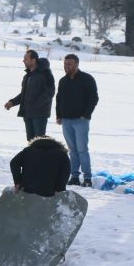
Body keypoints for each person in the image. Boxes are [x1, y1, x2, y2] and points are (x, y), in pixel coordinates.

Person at [55, 54, 99, 188]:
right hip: (66, 120)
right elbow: (59, 99)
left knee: (82, 150)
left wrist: (86, 115)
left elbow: (94, 98)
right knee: (72, 150)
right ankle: (74, 176)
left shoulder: (87, 79)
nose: (66, 66)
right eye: (65, 63)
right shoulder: (63, 81)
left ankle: (87, 178)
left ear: (76, 64)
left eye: (69, 64)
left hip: (81, 120)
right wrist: (59, 115)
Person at [4, 50, 55, 141]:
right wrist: (12, 102)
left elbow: (49, 92)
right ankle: (32, 156)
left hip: (39, 114)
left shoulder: (45, 74)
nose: (23, 61)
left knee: (39, 141)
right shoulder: (27, 76)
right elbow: (24, 94)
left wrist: (36, 105)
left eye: (26, 59)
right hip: (27, 113)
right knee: (30, 141)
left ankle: (41, 155)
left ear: (33, 60)